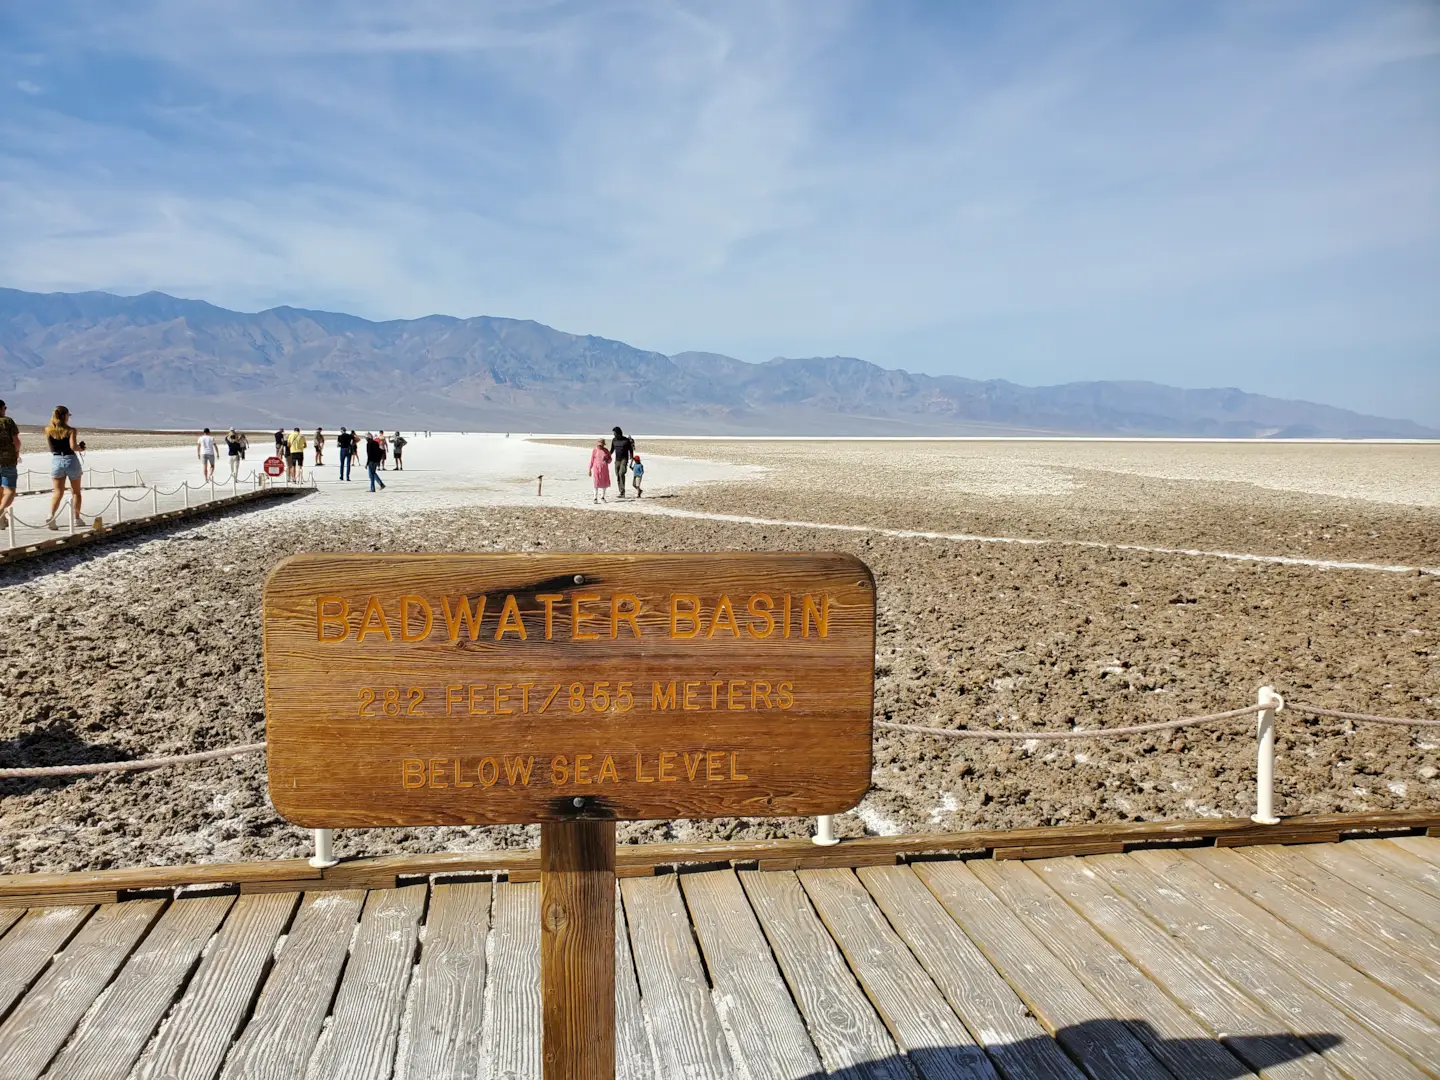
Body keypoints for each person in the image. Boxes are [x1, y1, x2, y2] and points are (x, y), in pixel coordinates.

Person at [44, 405, 84, 530]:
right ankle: (77, 518)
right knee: (76, 492)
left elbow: (51, 448)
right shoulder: (71, 430)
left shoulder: (48, 430)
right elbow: (73, 446)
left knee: (58, 492)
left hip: (56, 459)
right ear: (65, 416)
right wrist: (81, 448)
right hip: (70, 459)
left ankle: (51, 515)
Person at [0, 399, 20, 529]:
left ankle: (2, 519)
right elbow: (16, 441)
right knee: (10, 490)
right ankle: (1, 512)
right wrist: (17, 453)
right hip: (7, 460)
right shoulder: (7, 421)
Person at [610, 426, 635, 497]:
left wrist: (631, 456)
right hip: (617, 460)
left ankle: (622, 491)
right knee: (617, 475)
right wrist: (607, 456)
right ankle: (621, 491)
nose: (614, 434)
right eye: (613, 433)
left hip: (624, 459)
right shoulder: (614, 440)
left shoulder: (626, 440)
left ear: (618, 433)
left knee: (621, 473)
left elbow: (630, 449)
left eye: (615, 433)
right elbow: (612, 450)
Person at [588, 438, 612, 503]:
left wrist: (607, 459)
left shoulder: (606, 451)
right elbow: (592, 460)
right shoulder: (595, 450)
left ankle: (602, 497)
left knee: (604, 482)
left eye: (601, 445)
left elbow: (610, 460)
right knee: (596, 482)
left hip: (604, 469)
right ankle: (595, 498)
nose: (600, 446)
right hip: (596, 469)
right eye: (599, 445)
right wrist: (590, 469)